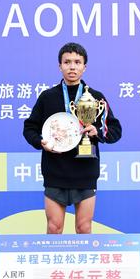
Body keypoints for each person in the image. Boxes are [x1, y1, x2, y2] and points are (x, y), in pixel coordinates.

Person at [23, 42, 121, 234]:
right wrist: (41, 142)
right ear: (60, 66)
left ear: (85, 67)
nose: (72, 67)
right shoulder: (47, 97)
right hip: (55, 170)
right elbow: (29, 128)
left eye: (77, 62)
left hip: (85, 171)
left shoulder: (95, 97)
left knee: (84, 228)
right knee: (54, 227)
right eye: (67, 62)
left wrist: (97, 132)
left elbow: (115, 130)